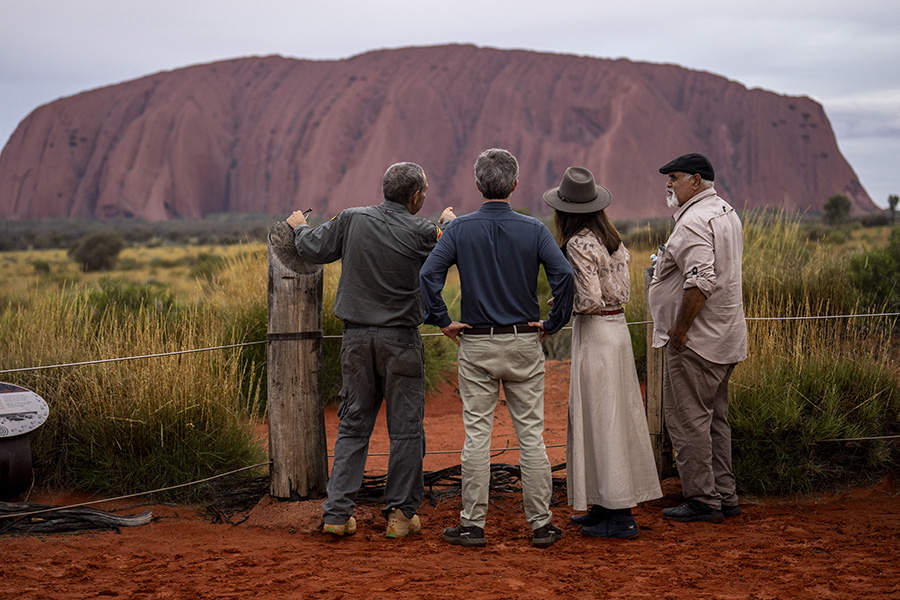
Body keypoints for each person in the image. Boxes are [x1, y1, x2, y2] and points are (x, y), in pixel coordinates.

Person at [286, 161, 455, 539]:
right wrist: (449, 222)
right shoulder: (424, 230)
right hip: (401, 342)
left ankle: (336, 514)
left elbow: (313, 248)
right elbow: (448, 242)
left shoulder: (352, 219)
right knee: (407, 431)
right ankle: (400, 516)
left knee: (353, 425)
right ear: (415, 196)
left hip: (356, 341)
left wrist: (298, 226)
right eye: (424, 192)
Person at [419, 148, 575, 548]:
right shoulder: (534, 229)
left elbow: (428, 275)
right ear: (515, 185)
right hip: (524, 342)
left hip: (477, 344)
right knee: (532, 436)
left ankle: (472, 525)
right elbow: (564, 277)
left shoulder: (458, 230)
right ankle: (541, 525)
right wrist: (553, 323)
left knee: (476, 436)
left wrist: (441, 319)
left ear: (477, 185)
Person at [542, 166, 662, 539]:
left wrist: (564, 304)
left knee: (600, 418)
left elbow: (590, 299)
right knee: (614, 415)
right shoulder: (613, 240)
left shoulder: (578, 243)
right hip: (618, 331)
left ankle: (619, 515)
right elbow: (620, 293)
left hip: (595, 333)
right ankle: (604, 504)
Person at [647, 153, 748, 523]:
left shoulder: (692, 221)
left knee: (688, 421)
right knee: (716, 420)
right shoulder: (726, 212)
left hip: (697, 343)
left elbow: (702, 279)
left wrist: (680, 330)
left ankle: (703, 501)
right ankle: (725, 495)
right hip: (726, 337)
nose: (668, 185)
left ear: (695, 180)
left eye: (673, 177)